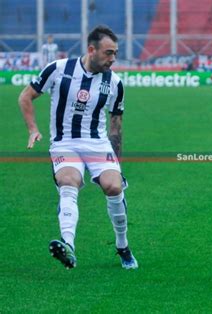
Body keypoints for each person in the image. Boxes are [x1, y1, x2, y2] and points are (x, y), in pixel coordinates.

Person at [18, 25, 138, 270]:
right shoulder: (58, 69)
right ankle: (68, 245)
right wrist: (33, 128)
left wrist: (116, 162)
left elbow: (116, 125)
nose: (113, 59)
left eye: (115, 53)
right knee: (68, 182)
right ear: (91, 49)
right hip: (65, 142)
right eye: (108, 53)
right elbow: (25, 96)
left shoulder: (114, 82)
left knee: (113, 186)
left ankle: (123, 246)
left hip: (97, 143)